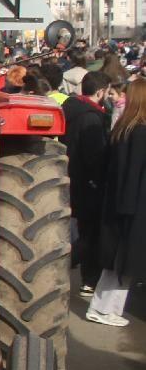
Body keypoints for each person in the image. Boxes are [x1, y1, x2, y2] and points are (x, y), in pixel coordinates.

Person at [88, 79, 146, 326]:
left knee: (115, 264)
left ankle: (105, 308)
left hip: (116, 202)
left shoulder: (122, 128)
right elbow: (134, 172)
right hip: (131, 206)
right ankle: (106, 310)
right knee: (123, 264)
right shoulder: (140, 131)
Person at [63, 71, 112, 295]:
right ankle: (86, 277)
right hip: (88, 183)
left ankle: (80, 271)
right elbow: (95, 156)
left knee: (83, 231)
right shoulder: (92, 118)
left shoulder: (71, 110)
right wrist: (99, 179)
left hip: (73, 177)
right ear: (100, 92)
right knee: (90, 235)